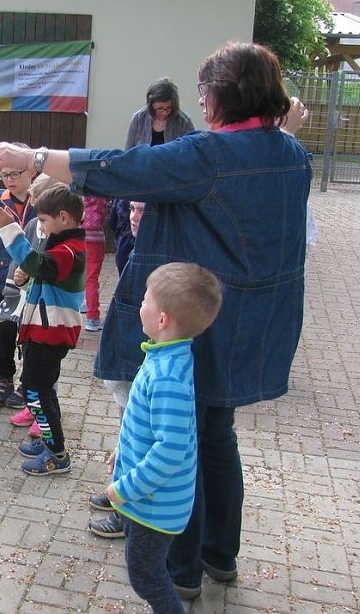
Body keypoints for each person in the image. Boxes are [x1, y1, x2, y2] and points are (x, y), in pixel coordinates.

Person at [0, 41, 311, 599]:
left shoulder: (209, 155)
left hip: (198, 319)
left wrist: (34, 158)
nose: (200, 102)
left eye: (204, 91)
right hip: (254, 323)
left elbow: (125, 167)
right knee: (216, 434)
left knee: (181, 438)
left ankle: (180, 571)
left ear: (216, 99)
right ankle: (219, 556)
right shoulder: (289, 153)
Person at [107, 262, 223, 613]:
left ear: (162, 320)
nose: (139, 304)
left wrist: (123, 489)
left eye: (146, 299)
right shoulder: (167, 356)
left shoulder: (167, 375)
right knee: (145, 568)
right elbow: (149, 426)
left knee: (146, 577)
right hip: (151, 501)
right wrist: (121, 451)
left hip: (154, 507)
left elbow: (171, 449)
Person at [0, 184, 85, 476]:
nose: (39, 226)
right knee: (40, 392)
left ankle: (57, 454)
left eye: (43, 220)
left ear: (65, 218)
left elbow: (33, 262)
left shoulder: (71, 251)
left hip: (50, 335)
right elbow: (39, 276)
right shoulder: (62, 247)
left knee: (38, 394)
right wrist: (22, 280)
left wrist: (11, 231)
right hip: (41, 332)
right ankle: (49, 442)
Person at [89, 198, 146, 539]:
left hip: (145, 359)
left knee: (139, 433)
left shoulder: (159, 253)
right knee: (127, 427)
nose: (134, 217)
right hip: (129, 354)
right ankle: (120, 492)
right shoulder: (135, 243)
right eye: (132, 209)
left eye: (144, 210)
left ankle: (129, 512)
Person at [107, 78, 196, 276]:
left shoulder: (183, 121)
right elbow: (128, 154)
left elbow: (190, 158)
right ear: (151, 105)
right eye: (159, 109)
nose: (163, 112)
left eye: (167, 108)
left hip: (168, 189)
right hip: (139, 187)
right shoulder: (138, 119)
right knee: (128, 239)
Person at [5, 174, 71, 432]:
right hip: (30, 307)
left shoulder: (66, 238)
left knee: (47, 370)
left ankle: (47, 413)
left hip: (53, 315)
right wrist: (21, 278)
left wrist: (34, 272)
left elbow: (58, 273)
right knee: (30, 363)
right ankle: (33, 407)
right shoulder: (33, 226)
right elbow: (26, 259)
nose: (36, 209)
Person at [0, 142, 37, 409]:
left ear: (33, 172)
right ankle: (5, 378)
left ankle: (29, 382)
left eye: (16, 174)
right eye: (4, 175)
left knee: (30, 335)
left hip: (34, 284)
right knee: (4, 330)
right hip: (5, 280)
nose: (10, 180)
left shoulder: (42, 202)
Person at [81, 195, 108, 331]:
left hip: (78, 236)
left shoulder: (76, 189)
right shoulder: (100, 193)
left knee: (78, 272)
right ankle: (93, 318)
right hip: (95, 238)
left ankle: (82, 302)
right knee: (91, 279)